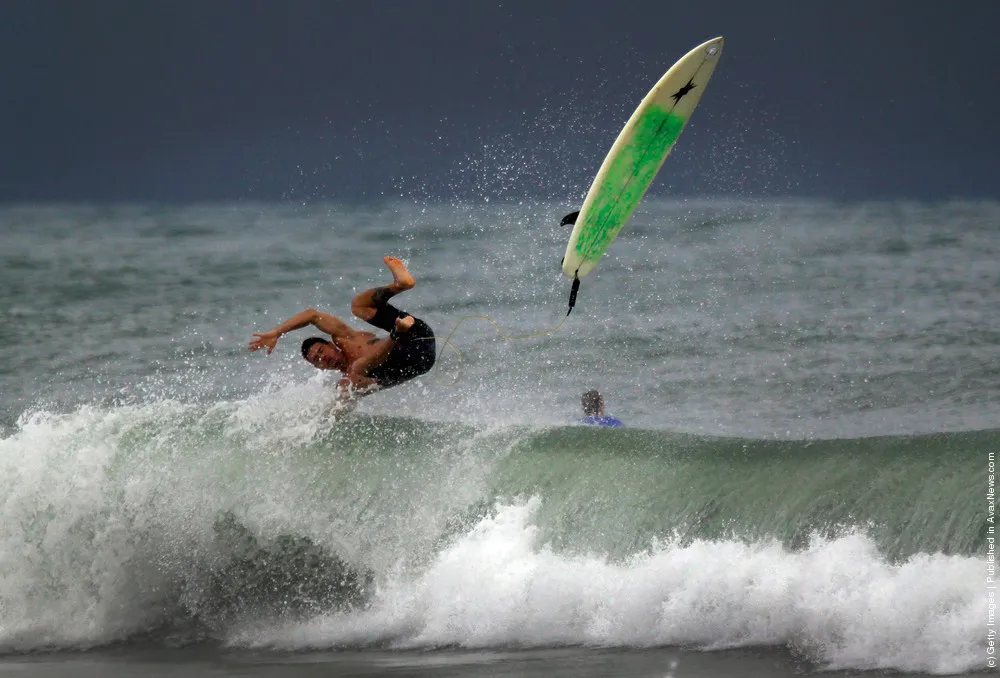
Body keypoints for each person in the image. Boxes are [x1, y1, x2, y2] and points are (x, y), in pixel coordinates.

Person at [249, 256, 435, 398]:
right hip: (416, 364)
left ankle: (400, 285)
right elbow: (339, 409)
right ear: (319, 368)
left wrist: (277, 332)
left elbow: (312, 315)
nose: (323, 357)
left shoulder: (348, 338)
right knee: (358, 369)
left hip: (416, 336)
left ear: (331, 345)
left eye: (321, 350)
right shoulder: (348, 382)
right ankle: (397, 332)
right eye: (317, 360)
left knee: (358, 306)